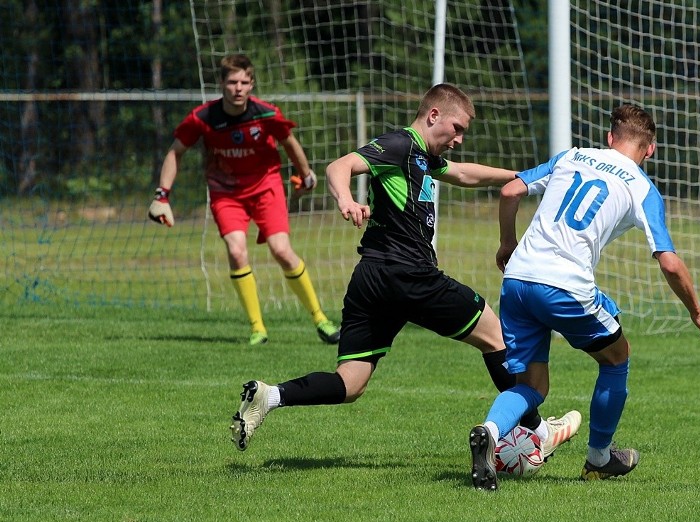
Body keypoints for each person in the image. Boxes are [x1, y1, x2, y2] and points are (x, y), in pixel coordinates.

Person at [230, 83, 581, 458]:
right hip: (407, 273)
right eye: (457, 128)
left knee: (350, 384)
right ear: (433, 115)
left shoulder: (423, 158)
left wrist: (525, 175)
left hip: (371, 279)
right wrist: (347, 199)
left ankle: (269, 396)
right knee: (496, 336)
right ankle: (539, 432)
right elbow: (340, 165)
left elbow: (463, 174)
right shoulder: (400, 144)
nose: (458, 139)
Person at [469, 103, 700, 491]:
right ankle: (599, 459)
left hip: (517, 279)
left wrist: (507, 243)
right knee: (617, 357)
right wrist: (697, 310)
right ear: (650, 150)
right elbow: (669, 264)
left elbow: (510, 189)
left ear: (609, 138)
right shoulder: (642, 187)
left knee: (533, 385)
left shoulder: (573, 156)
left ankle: (490, 428)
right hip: (564, 284)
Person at [147, 54, 340, 346]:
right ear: (222, 84)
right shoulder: (202, 117)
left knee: (282, 250)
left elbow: (289, 142)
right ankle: (257, 329)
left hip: (266, 188)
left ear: (251, 85)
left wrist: (306, 175)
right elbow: (176, 152)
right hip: (226, 193)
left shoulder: (265, 113)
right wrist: (162, 196)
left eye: (244, 82)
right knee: (236, 252)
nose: (238, 88)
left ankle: (321, 320)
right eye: (232, 81)